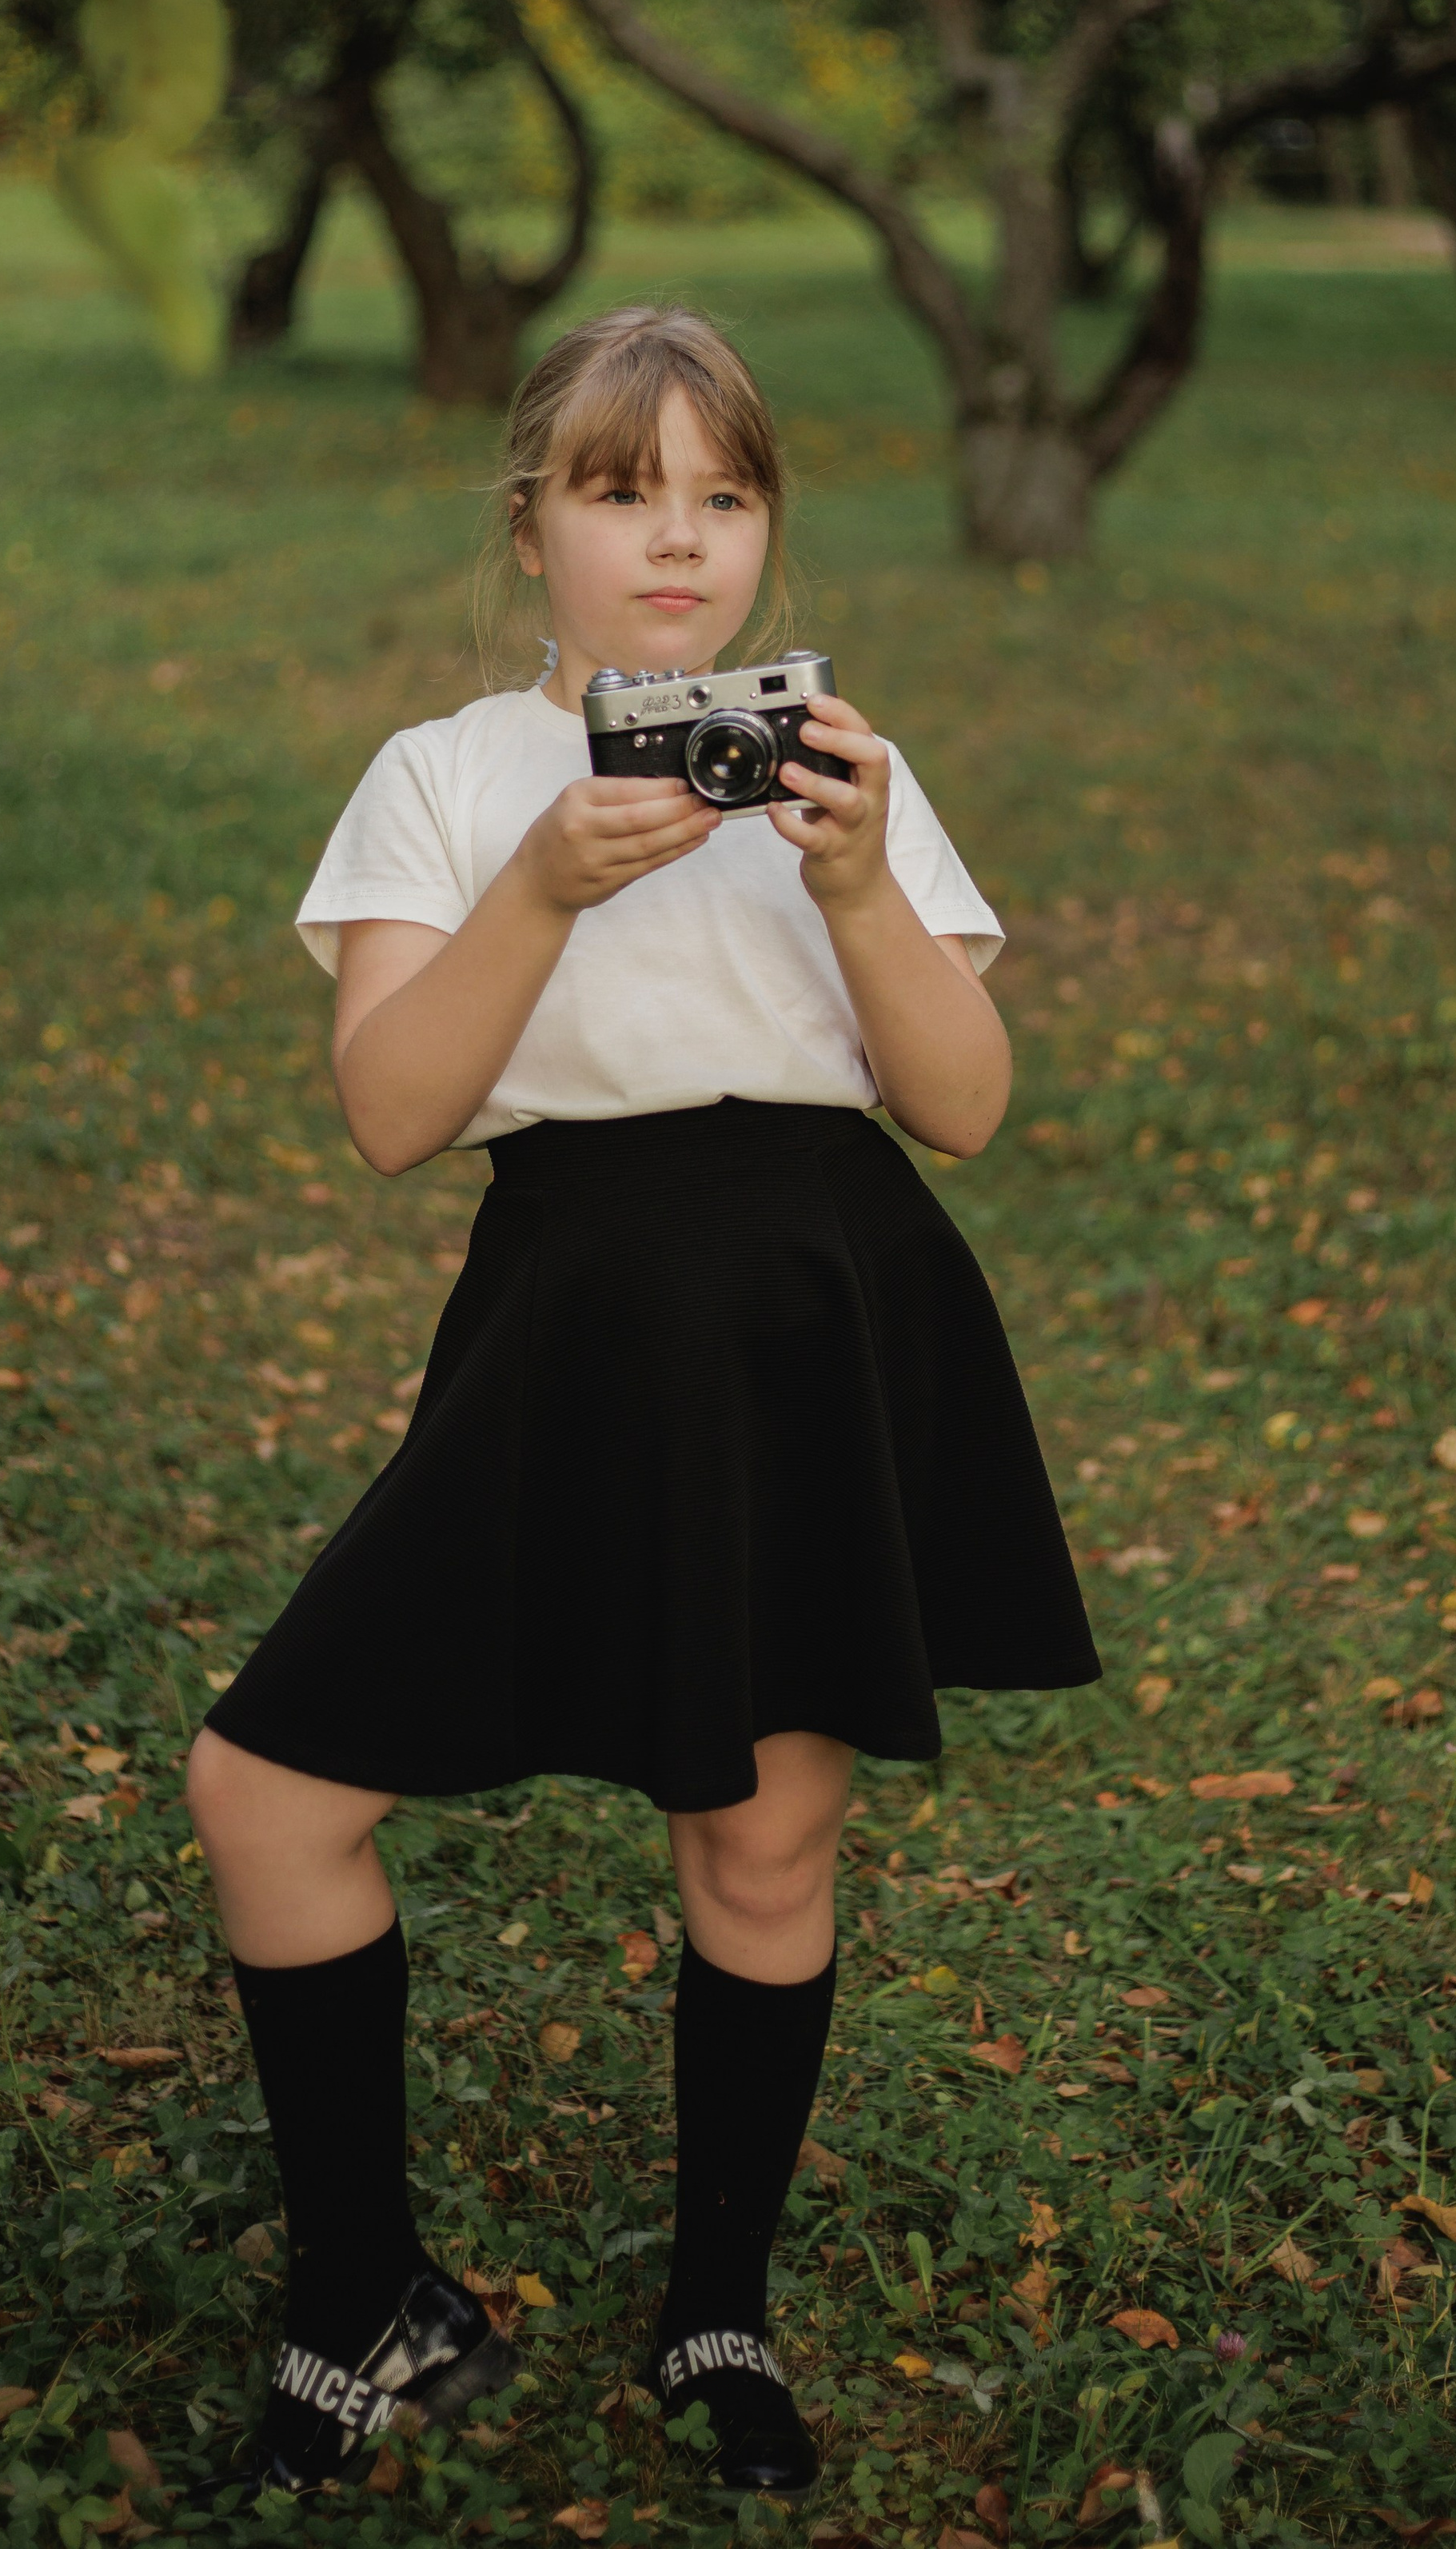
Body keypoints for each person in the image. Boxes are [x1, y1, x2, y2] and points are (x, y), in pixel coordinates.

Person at [185, 305, 1099, 2500]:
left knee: (765, 1836)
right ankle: (369, 2304)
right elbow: (398, 1113)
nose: (677, 544)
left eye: (723, 494)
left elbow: (965, 1105)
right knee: (266, 1796)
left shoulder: (846, 771)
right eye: (623, 494)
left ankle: (720, 2309)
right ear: (537, 527)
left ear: (769, 529)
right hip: (569, 1317)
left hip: (819, 1306)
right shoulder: (451, 771)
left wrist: (861, 882)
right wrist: (541, 883)